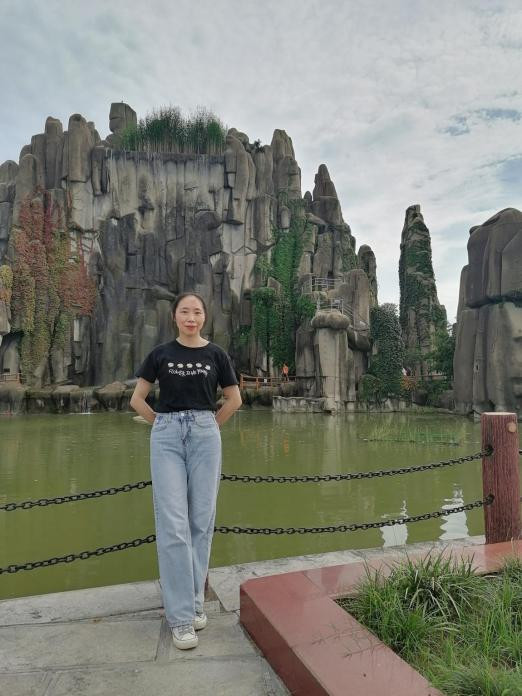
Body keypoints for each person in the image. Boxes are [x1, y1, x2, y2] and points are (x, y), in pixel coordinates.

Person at [130, 293, 242, 650]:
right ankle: (180, 618)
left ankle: (194, 603)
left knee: (201, 522)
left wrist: (210, 426)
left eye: (196, 312)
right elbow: (137, 399)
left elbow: (234, 398)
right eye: (184, 311)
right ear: (174, 316)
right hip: (167, 436)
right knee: (173, 524)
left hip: (205, 434)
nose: (190, 317)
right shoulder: (160, 354)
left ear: (204, 317)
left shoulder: (216, 354)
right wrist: (160, 424)